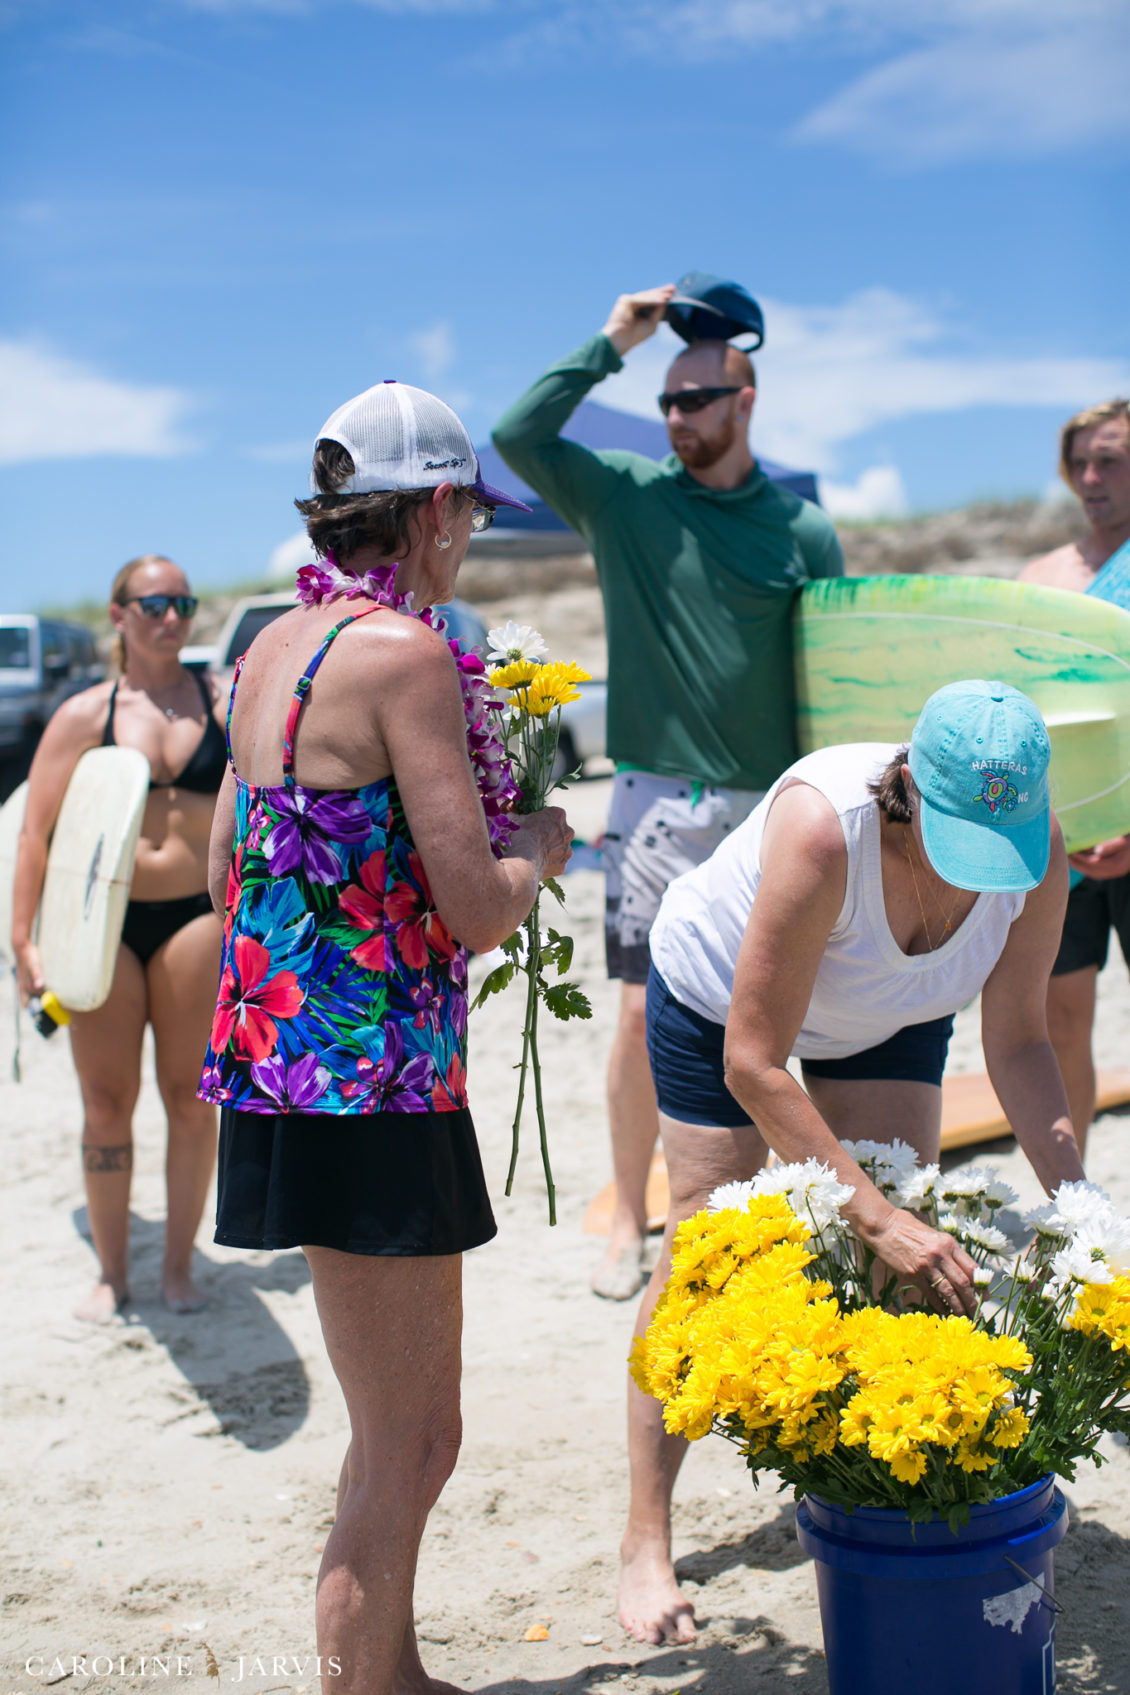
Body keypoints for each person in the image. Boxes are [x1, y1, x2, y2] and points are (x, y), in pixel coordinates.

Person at [199, 380, 572, 1695]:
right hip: (374, 1087)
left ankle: (391, 1669)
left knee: (398, 1430)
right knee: (413, 1437)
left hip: (283, 1068)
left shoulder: (266, 651)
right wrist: (536, 844)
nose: (468, 527)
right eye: (466, 503)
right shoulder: (407, 657)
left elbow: (222, 877)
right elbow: (474, 908)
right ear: (428, 510)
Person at [620, 680, 1086, 1643]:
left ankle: (872, 1498)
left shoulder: (1043, 860)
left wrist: (1082, 1207)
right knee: (709, 1260)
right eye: (964, 847)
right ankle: (646, 1537)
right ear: (910, 789)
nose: (985, 875)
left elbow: (1022, 1044)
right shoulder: (826, 830)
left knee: (910, 1265)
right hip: (723, 1004)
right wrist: (866, 1207)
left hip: (889, 1013)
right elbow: (754, 1061)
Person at [493, 280, 844, 1300]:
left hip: (775, 808)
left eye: (697, 399)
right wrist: (615, 338)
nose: (677, 416)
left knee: (787, 1019)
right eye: (667, 402)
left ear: (744, 402)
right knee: (644, 1018)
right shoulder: (625, 498)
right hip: (656, 807)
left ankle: (794, 1210)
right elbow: (519, 433)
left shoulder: (801, 529)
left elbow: (824, 678)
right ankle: (630, 1218)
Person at [11, 555, 225, 1322]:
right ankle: (111, 1272)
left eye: (185, 603)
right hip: (98, 919)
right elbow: (34, 834)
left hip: (196, 919)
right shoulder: (83, 714)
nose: (173, 617)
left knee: (190, 1102)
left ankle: (177, 1266)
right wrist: (22, 942)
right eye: (156, 603)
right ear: (118, 614)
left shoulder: (223, 701)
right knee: (106, 1102)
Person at [1019, 399, 1130, 1151]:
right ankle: (1075, 1212)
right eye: (1080, 462)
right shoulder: (1043, 575)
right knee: (1058, 1020)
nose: (1092, 478)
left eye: (1112, 459)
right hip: (1064, 833)